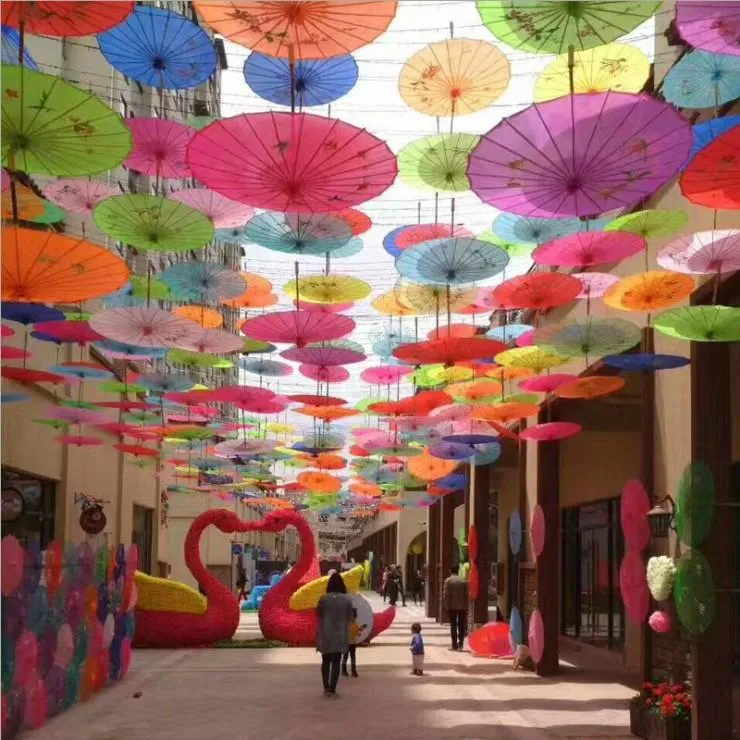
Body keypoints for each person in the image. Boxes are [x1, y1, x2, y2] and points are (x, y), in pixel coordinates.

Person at [316, 572, 354, 698]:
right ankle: (332, 689)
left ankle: (325, 686)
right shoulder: (347, 600)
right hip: (340, 634)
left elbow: (318, 614)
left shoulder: (323, 599)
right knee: (336, 661)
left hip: (325, 633)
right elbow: (350, 618)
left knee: (325, 660)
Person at [442, 564, 469, 651]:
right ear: (458, 571)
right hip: (462, 606)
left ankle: (454, 645)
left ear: (450, 571)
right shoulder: (463, 581)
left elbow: (445, 595)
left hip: (452, 606)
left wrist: (446, 606)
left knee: (453, 625)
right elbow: (466, 595)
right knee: (461, 625)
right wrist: (466, 606)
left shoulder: (448, 581)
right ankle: (461, 644)